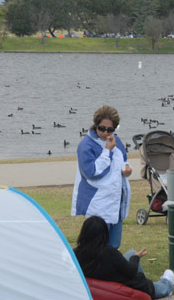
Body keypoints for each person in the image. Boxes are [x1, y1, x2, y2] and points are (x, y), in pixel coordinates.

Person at [71, 105, 132, 249]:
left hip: (116, 201)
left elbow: (123, 161)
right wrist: (107, 151)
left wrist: (127, 169)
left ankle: (111, 268)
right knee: (97, 245)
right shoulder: (85, 145)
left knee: (114, 245)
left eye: (110, 129)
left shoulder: (117, 142)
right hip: (97, 202)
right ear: (95, 125)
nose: (105, 133)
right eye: (102, 128)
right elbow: (92, 173)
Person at [74, 216, 174, 299]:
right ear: (104, 234)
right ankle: (166, 283)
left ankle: (148, 281)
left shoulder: (76, 254)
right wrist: (136, 258)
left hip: (99, 288)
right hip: (124, 289)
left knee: (131, 253)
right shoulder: (109, 252)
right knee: (163, 286)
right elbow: (131, 272)